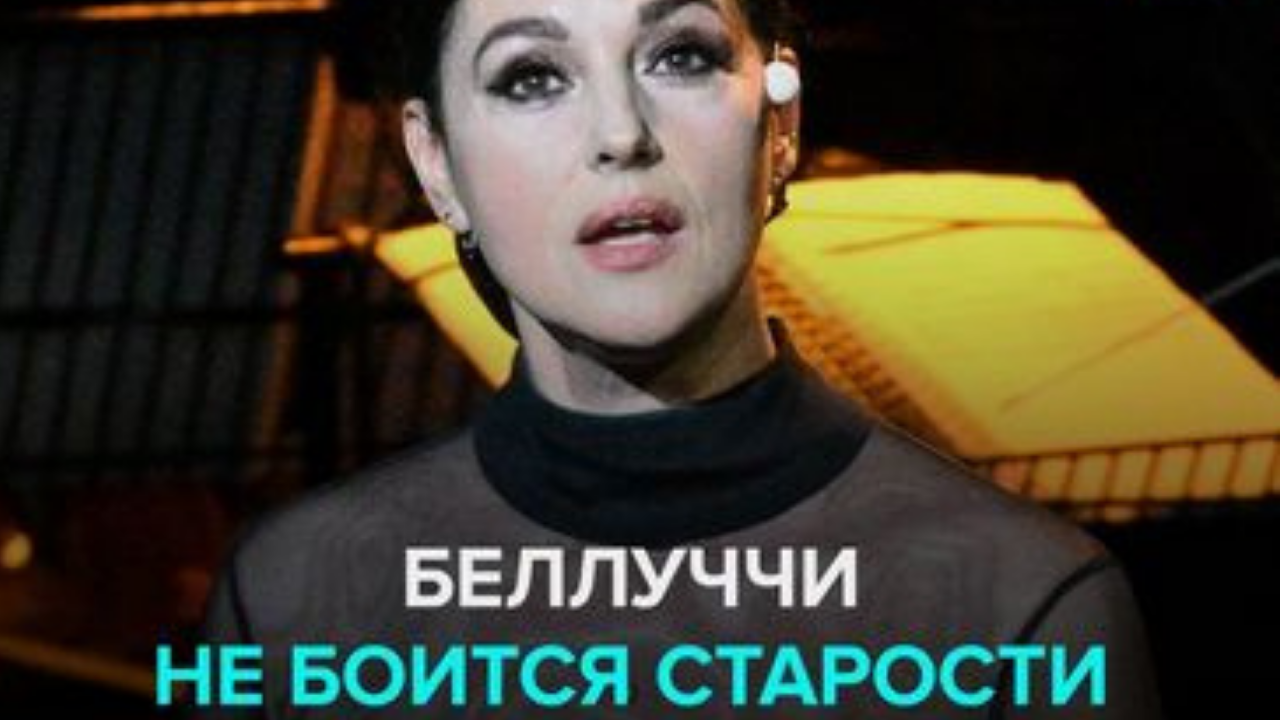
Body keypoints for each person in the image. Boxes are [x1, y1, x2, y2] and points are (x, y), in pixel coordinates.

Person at [195, 0, 1163, 717]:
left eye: (680, 56)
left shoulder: (1025, 606)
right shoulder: (290, 600)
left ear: (780, 126)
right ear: (435, 164)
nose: (621, 135)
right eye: (532, 77)